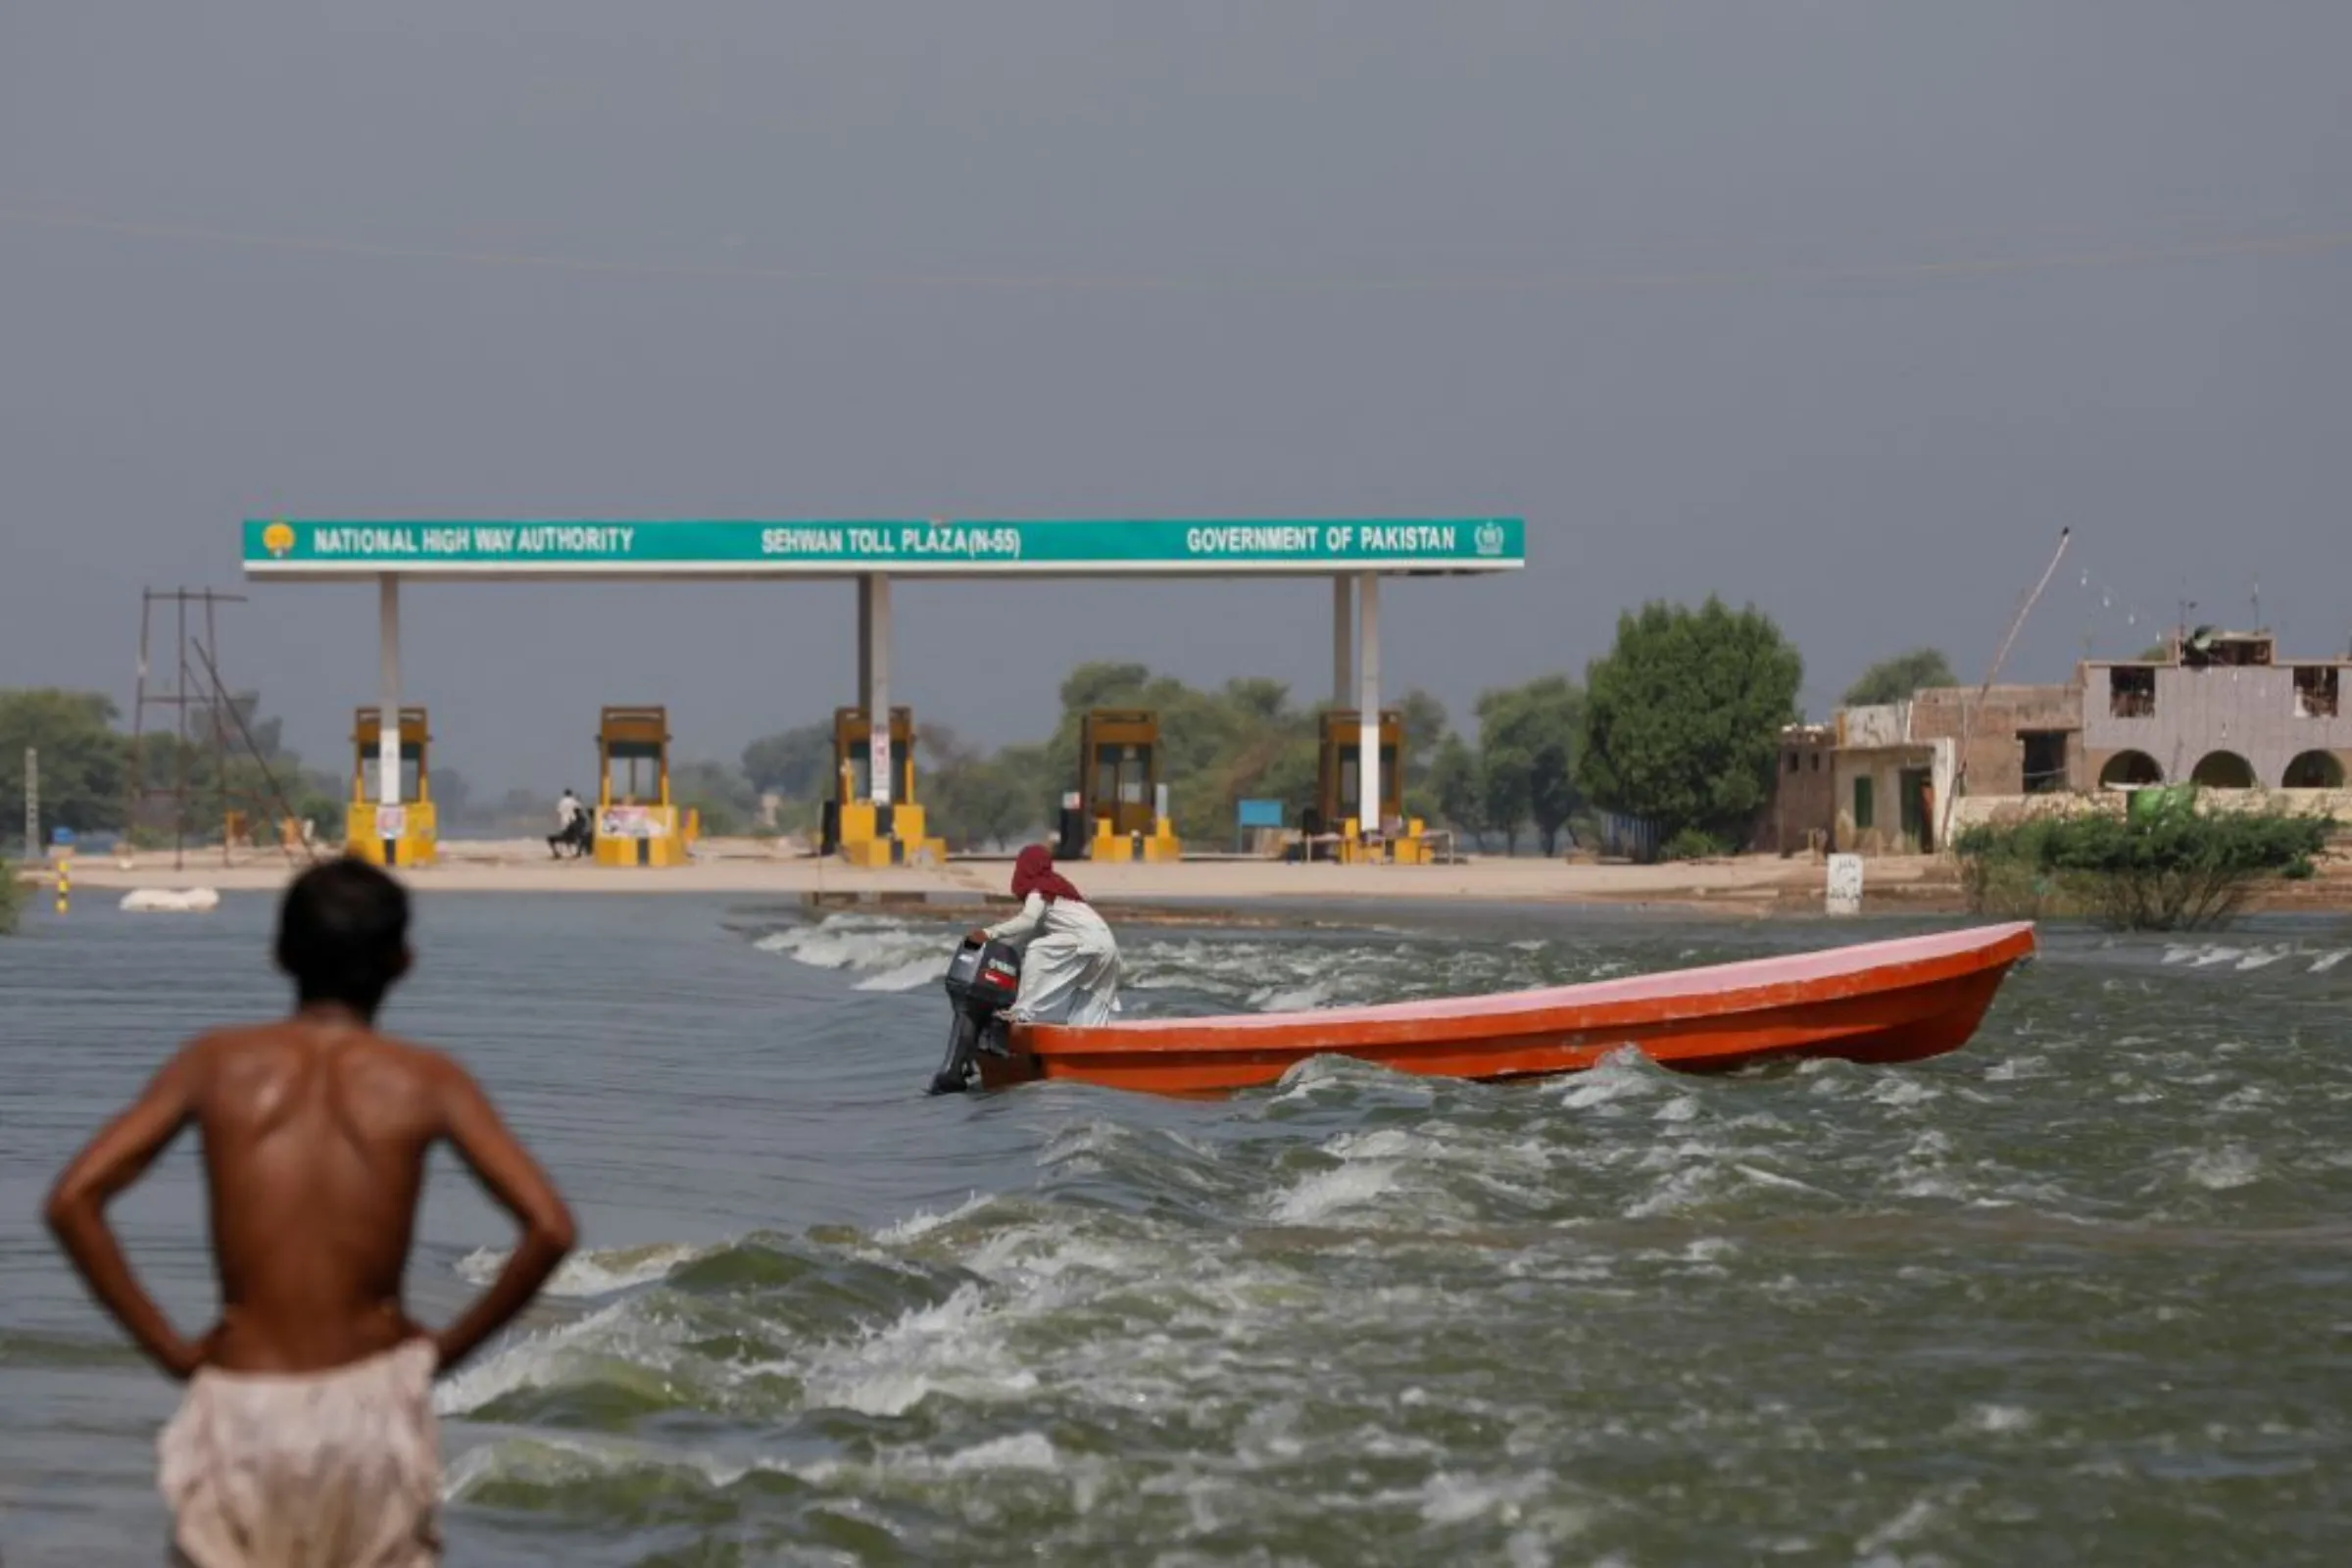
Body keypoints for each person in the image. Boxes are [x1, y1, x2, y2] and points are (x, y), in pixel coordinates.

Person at [44, 857, 576, 1567]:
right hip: (372, 1401)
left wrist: (170, 1350)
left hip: (243, 1397)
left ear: (280, 955)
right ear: (403, 962)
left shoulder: (217, 1064)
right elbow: (550, 1227)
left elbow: (74, 1199)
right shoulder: (426, 1081)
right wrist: (440, 1353)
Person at [967, 844, 1122, 1025]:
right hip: (1109, 949)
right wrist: (999, 946)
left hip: (1086, 944)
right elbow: (1026, 933)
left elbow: (1027, 921)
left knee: (1038, 949)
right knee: (1086, 1015)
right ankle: (1084, 1049)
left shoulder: (1039, 890)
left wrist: (988, 934)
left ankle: (1021, 1011)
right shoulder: (1058, 889)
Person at [548, 787, 585, 858]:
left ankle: (559, 853)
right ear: (571, 794)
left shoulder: (561, 801)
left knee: (564, 834)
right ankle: (575, 851)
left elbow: (558, 811)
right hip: (573, 821)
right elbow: (579, 807)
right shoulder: (573, 801)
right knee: (574, 834)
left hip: (564, 820)